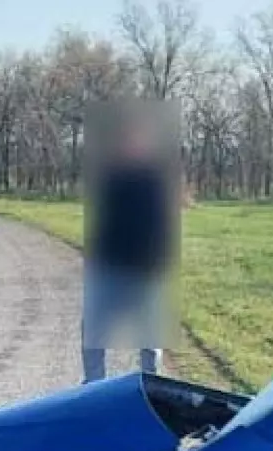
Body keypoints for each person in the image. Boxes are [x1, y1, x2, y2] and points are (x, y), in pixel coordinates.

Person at [82, 107, 176, 382]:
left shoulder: (154, 179)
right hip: (109, 267)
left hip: (143, 269)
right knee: (92, 334)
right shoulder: (109, 177)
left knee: (150, 339)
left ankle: (154, 388)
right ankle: (92, 389)